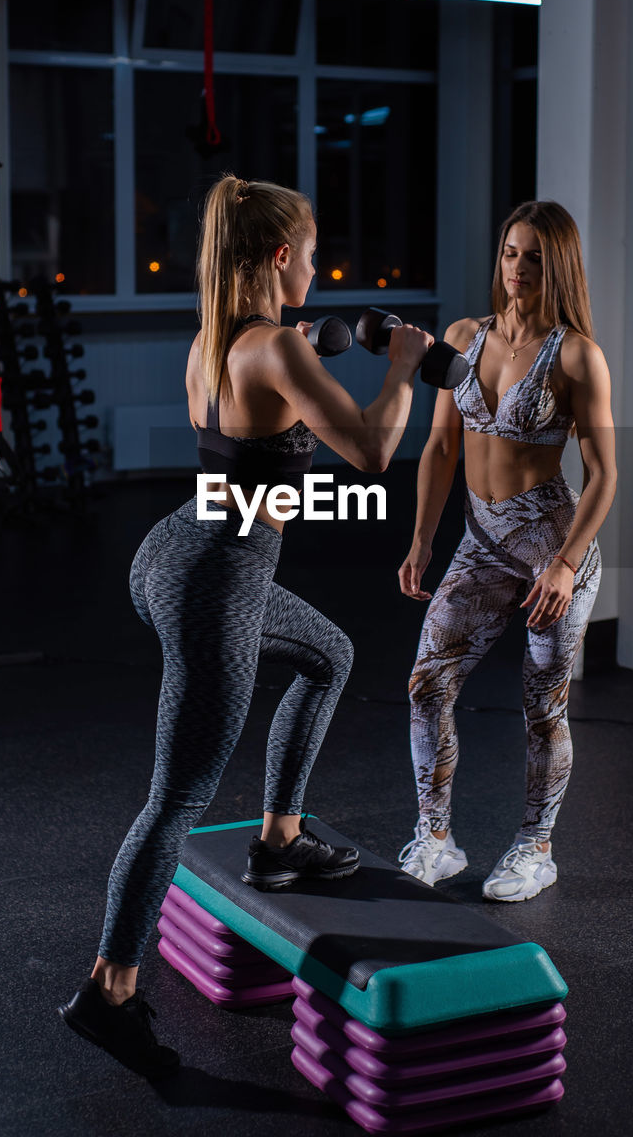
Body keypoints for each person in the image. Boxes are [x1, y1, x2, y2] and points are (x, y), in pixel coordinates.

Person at [59, 174, 433, 1080]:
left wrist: (303, 352)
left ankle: (277, 839)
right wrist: (401, 369)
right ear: (277, 256)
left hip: (175, 551)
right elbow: (376, 452)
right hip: (216, 581)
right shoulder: (274, 350)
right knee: (177, 800)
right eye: (310, 251)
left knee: (328, 655)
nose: (320, 263)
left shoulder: (213, 341)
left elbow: (257, 411)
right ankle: (107, 992)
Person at [396, 200, 616, 904]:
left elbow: (606, 473)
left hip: (552, 548)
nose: (516, 267)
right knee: (427, 684)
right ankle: (435, 838)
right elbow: (438, 446)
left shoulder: (576, 353)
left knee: (541, 705)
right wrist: (423, 538)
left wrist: (563, 564)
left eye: (533, 256)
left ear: (559, 266)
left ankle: (534, 847)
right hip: (480, 539)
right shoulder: (464, 336)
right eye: (510, 252)